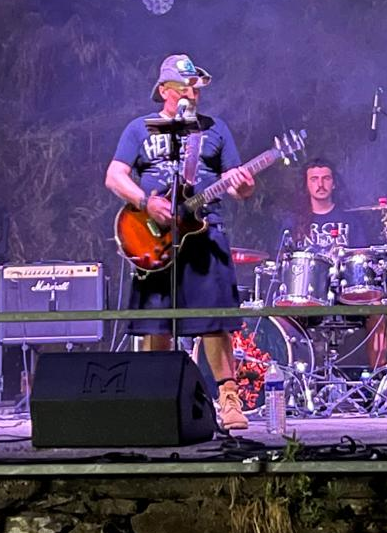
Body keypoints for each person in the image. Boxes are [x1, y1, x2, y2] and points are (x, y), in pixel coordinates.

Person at [104, 54, 256, 431]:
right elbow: (114, 175)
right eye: (185, 86)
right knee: (156, 322)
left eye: (196, 86)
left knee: (213, 320)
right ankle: (158, 397)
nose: (193, 92)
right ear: (164, 91)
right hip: (154, 238)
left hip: (206, 233)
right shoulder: (140, 129)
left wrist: (244, 185)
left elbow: (237, 183)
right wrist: (145, 202)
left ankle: (229, 398)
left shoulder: (215, 129)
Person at [279, 159, 387, 367]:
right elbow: (284, 260)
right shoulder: (293, 222)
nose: (320, 184)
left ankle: (380, 378)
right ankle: (292, 377)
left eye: (326, 178)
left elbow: (361, 256)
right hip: (309, 294)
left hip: (346, 292)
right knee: (280, 311)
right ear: (307, 184)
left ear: (334, 183)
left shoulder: (351, 220)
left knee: (379, 307)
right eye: (314, 179)